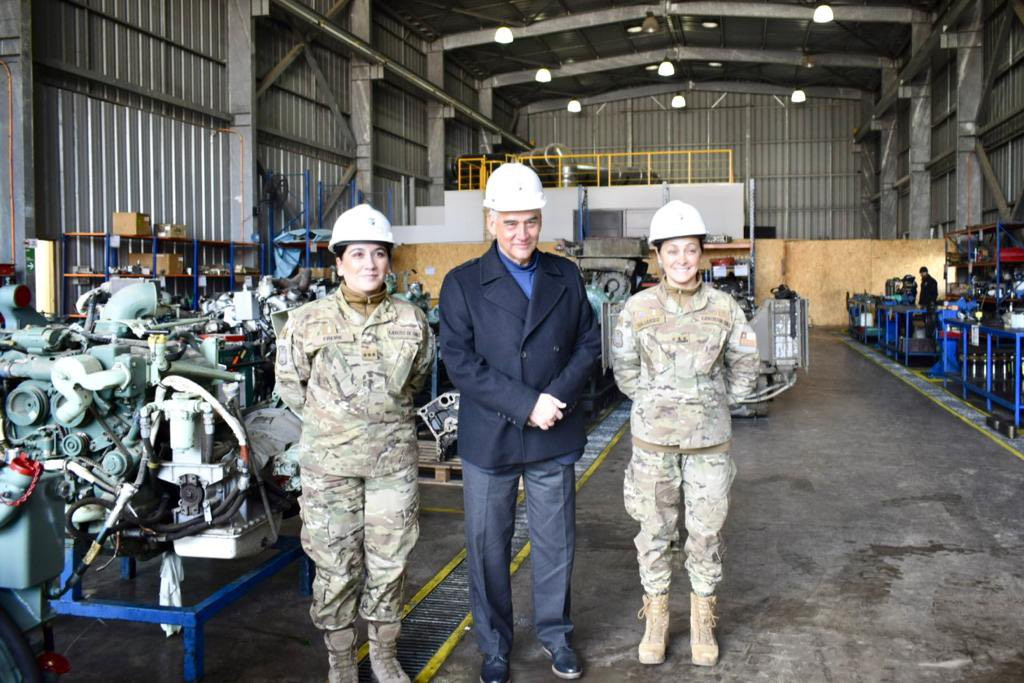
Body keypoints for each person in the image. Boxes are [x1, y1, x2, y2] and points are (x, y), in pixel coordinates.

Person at [439, 163, 601, 683]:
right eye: (509, 223)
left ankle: (556, 635)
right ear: (490, 222)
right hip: (493, 436)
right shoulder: (462, 283)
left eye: (529, 221)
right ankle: (493, 645)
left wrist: (555, 397)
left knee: (556, 541)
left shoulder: (565, 275)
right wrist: (527, 403)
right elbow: (460, 362)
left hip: (554, 428)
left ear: (540, 219)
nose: (521, 233)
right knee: (488, 544)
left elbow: (589, 343)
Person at [276, 204, 434, 683]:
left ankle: (384, 654)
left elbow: (418, 378)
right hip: (330, 468)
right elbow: (290, 386)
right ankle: (341, 660)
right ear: (338, 261)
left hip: (392, 467)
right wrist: (335, 425)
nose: (370, 264)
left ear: (389, 261)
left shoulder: (411, 321)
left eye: (379, 254)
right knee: (336, 566)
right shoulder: (305, 322)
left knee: (390, 563)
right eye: (358, 254)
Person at [611, 200, 759, 668]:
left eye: (690, 250)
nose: (681, 260)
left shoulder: (724, 308)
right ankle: (655, 620)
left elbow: (745, 366)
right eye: (672, 250)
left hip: (709, 445)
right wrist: (659, 403)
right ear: (658, 255)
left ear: (702, 254)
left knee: (705, 533)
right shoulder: (636, 309)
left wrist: (713, 402)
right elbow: (625, 370)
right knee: (654, 531)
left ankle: (701, 619)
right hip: (653, 444)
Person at [919, 266, 938, 339]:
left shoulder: (932, 281)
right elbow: (922, 293)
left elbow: (934, 294)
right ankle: (928, 336)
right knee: (925, 320)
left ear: (925, 272)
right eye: (921, 274)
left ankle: (931, 336)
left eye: (922, 273)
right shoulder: (923, 282)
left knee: (931, 321)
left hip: (930, 306)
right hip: (924, 305)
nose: (921, 275)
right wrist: (920, 303)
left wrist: (931, 303)